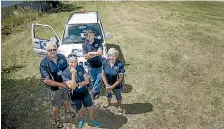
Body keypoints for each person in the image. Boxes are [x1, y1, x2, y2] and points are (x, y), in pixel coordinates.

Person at [40, 41, 75, 128]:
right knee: (57, 106)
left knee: (66, 99)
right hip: (55, 89)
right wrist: (61, 85)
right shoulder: (44, 63)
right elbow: (47, 81)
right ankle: (57, 119)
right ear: (46, 51)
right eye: (50, 50)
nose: (52, 51)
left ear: (57, 49)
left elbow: (67, 68)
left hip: (65, 84)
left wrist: (69, 80)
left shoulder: (62, 57)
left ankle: (67, 111)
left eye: (54, 49)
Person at [62, 53, 101, 128]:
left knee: (91, 108)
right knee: (79, 109)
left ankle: (92, 120)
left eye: (75, 62)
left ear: (77, 61)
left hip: (84, 92)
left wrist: (77, 84)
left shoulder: (81, 68)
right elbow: (72, 88)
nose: (73, 64)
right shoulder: (65, 73)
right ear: (68, 62)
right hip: (74, 95)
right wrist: (73, 75)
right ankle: (82, 119)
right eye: (71, 62)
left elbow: (87, 81)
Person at [102, 48, 125, 114]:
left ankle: (120, 106)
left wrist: (112, 87)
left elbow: (120, 78)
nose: (111, 57)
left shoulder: (120, 64)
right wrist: (107, 85)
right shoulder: (105, 62)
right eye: (109, 55)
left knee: (118, 96)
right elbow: (103, 75)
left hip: (117, 84)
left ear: (116, 56)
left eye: (113, 56)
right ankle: (108, 103)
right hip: (108, 84)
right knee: (108, 95)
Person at [82, 30, 103, 99]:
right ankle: (96, 93)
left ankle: (93, 91)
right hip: (90, 65)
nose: (89, 36)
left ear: (93, 34)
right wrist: (95, 53)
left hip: (99, 64)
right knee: (93, 80)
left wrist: (90, 53)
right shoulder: (84, 44)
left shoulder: (98, 41)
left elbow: (100, 53)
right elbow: (85, 56)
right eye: (87, 35)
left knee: (99, 79)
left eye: (90, 35)